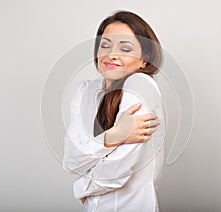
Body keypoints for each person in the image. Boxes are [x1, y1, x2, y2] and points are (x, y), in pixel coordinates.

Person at [63, 10, 166, 212]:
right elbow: (70, 161)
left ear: (144, 60)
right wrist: (114, 135)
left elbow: (119, 167)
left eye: (125, 48)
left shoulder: (141, 85)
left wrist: (82, 188)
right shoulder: (84, 90)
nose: (111, 55)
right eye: (105, 45)